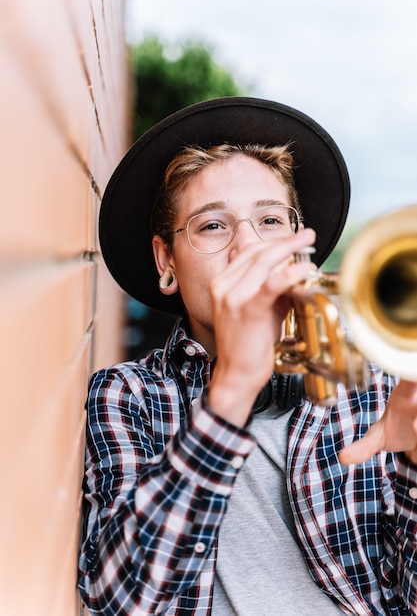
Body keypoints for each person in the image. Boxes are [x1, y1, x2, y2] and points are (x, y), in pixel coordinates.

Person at [78, 97, 417, 615]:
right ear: (166, 262)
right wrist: (231, 388)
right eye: (213, 225)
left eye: (271, 221)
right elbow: (122, 598)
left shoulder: (373, 386)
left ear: (299, 250)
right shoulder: (128, 396)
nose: (248, 248)